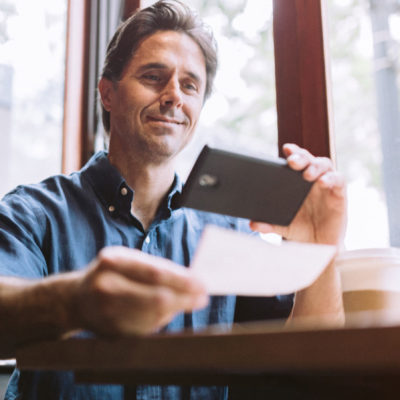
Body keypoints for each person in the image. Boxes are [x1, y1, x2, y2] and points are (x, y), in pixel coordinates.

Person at [0, 1, 346, 399]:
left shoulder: (229, 232)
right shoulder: (33, 213)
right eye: (153, 76)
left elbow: (309, 366)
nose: (173, 97)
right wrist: (75, 302)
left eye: (190, 85)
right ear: (107, 94)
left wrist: (322, 248)